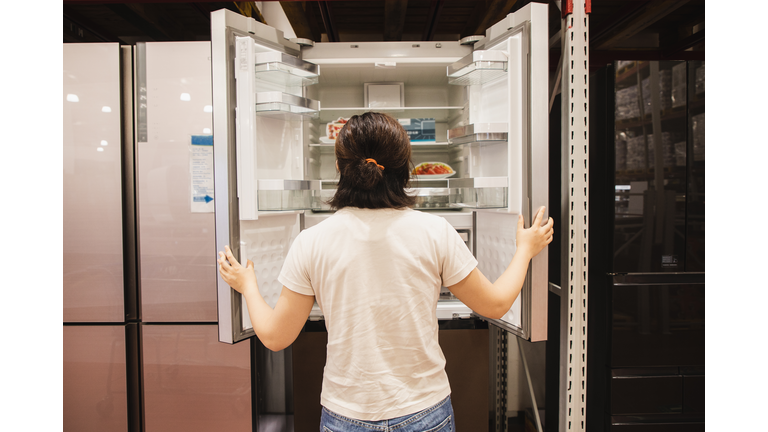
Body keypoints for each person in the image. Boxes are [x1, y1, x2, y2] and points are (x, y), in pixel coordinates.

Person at [218, 112, 553, 431]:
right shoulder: (435, 231)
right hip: (425, 410)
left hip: (347, 413)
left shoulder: (311, 241)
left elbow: (276, 337)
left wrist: (248, 286)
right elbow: (494, 305)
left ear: (339, 167)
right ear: (405, 169)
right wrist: (524, 250)